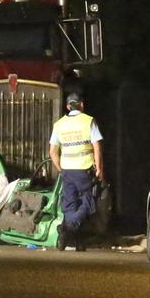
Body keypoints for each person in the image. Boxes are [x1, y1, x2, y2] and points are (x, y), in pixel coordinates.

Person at [49, 93, 104, 251]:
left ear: (67, 106)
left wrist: (60, 169)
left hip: (67, 170)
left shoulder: (59, 125)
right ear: (82, 105)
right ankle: (67, 228)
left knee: (70, 205)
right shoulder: (89, 121)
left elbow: (52, 152)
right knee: (88, 203)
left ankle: (76, 241)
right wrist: (99, 168)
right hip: (84, 170)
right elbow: (97, 147)